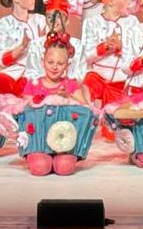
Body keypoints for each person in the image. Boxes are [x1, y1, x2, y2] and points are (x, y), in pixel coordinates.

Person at [17, 34, 94, 176]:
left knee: (64, 168)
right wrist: (44, 100)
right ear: (43, 61)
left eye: (60, 63)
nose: (54, 67)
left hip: (65, 142)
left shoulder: (70, 85)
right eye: (50, 62)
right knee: (40, 167)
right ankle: (39, 155)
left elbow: (85, 108)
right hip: (38, 141)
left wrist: (67, 98)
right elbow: (25, 110)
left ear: (67, 65)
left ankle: (62, 157)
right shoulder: (33, 84)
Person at [80, 0, 135, 119]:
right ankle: (91, 117)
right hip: (98, 79)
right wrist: (104, 47)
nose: (129, 3)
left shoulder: (132, 22)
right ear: (110, 2)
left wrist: (121, 47)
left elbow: (136, 54)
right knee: (89, 82)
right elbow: (85, 57)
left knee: (119, 119)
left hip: (121, 81)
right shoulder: (92, 23)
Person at [0, 0, 48, 96]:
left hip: (39, 70)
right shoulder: (4, 24)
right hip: (15, 72)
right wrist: (22, 46)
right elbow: (2, 60)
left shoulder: (40, 20)